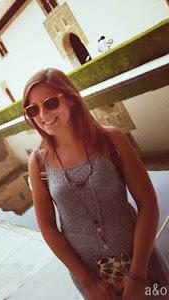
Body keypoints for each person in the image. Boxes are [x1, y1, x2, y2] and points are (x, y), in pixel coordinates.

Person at [23, 68, 169, 299]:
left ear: (70, 99)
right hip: (91, 277)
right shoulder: (38, 162)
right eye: (33, 109)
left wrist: (138, 275)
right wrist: (86, 280)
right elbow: (49, 228)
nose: (42, 114)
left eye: (50, 103)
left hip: (141, 264)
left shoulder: (111, 140)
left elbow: (148, 204)